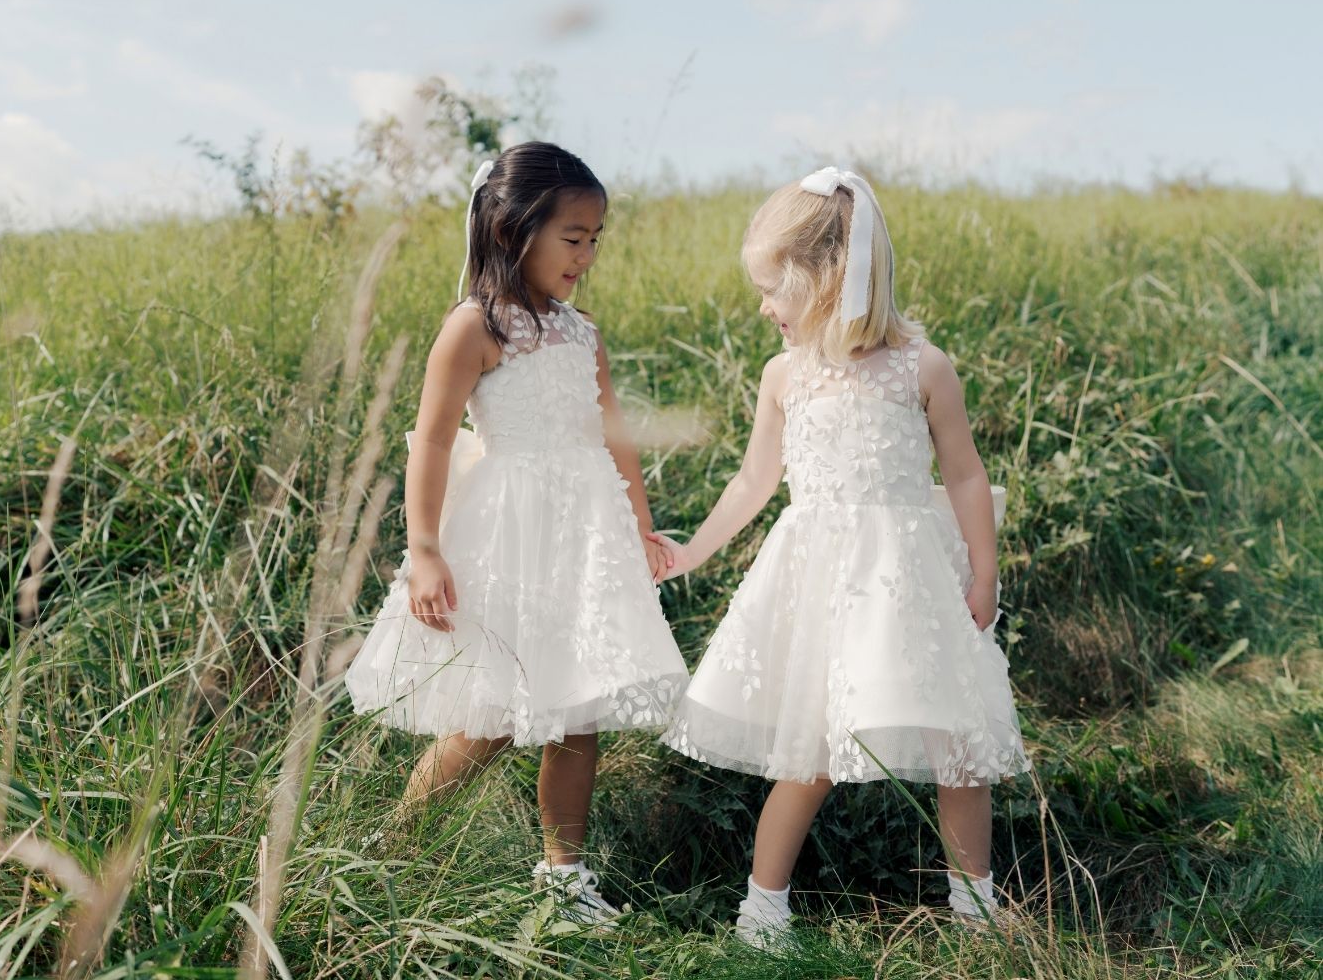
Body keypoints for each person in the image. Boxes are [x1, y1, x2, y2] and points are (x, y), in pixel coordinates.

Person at [654, 166, 1028, 945]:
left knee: (958, 743)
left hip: (909, 579)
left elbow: (963, 472)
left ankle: (976, 906)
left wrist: (985, 571)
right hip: (820, 579)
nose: (763, 308)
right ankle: (763, 910)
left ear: (827, 278)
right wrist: (692, 550)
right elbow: (757, 480)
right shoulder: (784, 377)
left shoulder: (921, 367)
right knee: (812, 748)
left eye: (773, 289)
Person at [345, 141, 689, 923]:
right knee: (490, 719)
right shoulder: (474, 326)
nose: (587, 255)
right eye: (574, 237)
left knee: (580, 713)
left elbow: (615, 434)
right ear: (512, 229)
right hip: (509, 534)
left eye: (596, 238)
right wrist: (425, 550)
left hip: (585, 534)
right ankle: (393, 852)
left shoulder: (581, 333)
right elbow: (431, 440)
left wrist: (638, 526)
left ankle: (564, 879)